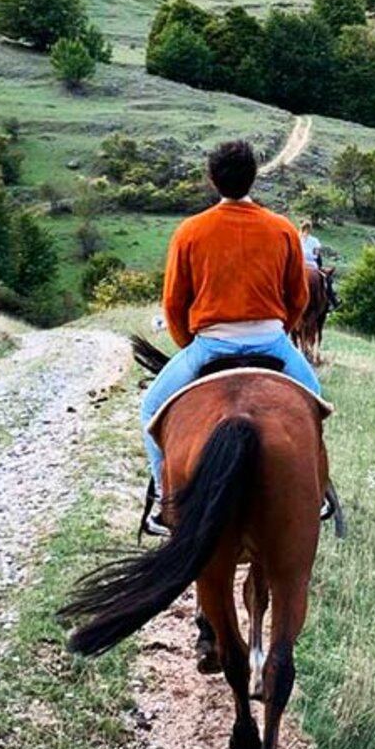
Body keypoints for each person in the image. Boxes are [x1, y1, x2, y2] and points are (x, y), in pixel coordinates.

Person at [139, 141, 322, 536]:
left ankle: (165, 501)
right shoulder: (282, 229)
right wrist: (280, 329)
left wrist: (188, 343)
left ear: (212, 179)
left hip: (210, 344)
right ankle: (318, 492)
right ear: (254, 177)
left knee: (150, 409)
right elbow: (299, 297)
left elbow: (173, 302)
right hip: (272, 341)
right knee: (315, 403)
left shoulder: (190, 231)